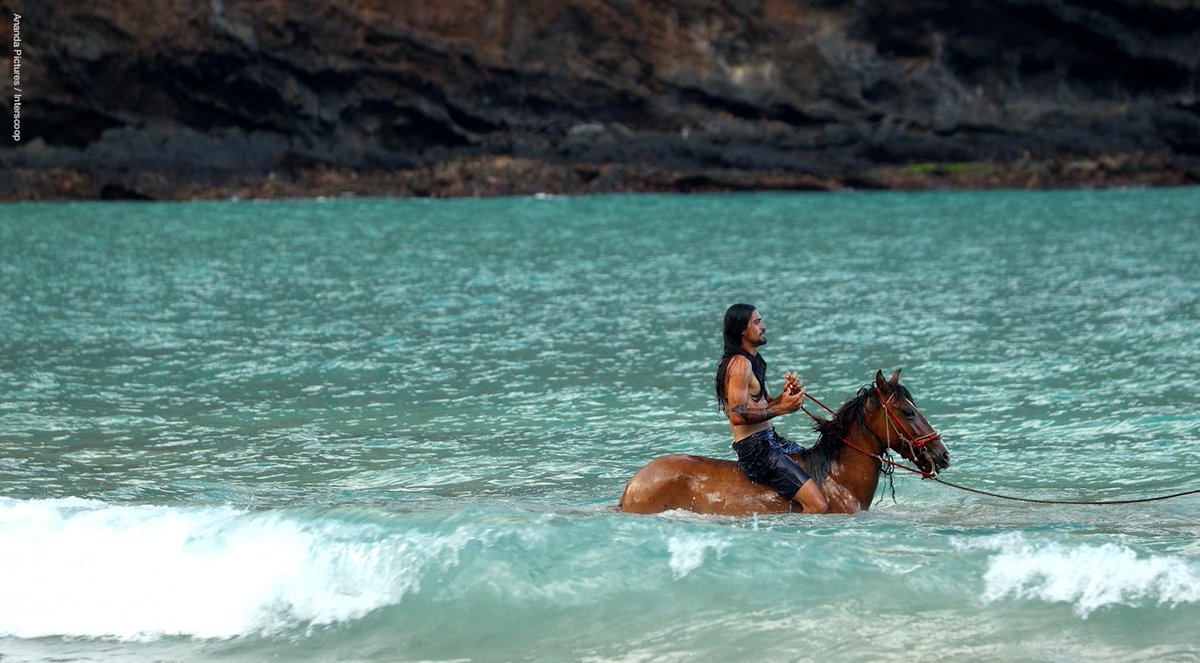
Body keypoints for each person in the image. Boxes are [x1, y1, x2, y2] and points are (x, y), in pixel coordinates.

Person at [714, 303, 828, 514]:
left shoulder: (755, 360)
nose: (763, 326)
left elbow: (763, 404)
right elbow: (737, 415)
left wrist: (784, 398)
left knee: (818, 466)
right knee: (819, 505)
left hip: (770, 441)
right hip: (756, 451)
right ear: (742, 330)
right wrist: (782, 409)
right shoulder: (739, 364)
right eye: (757, 322)